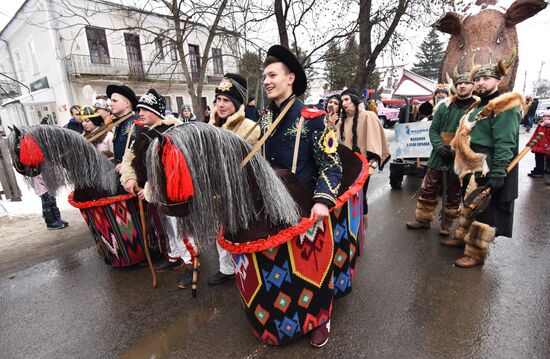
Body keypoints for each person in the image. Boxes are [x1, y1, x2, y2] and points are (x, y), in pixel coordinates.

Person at [261, 45, 342, 347]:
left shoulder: (314, 117)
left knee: (313, 266)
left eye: (272, 75)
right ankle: (289, 311)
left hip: (308, 208)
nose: (266, 81)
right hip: (274, 206)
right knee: (283, 264)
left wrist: (322, 200)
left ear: (290, 77)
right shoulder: (265, 121)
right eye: (264, 76)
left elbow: (331, 166)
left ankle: (321, 316)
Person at [446, 56, 522, 268]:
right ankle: (463, 237)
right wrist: (457, 164)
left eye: (487, 78)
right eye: (478, 79)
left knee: (482, 210)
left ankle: (476, 252)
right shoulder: (477, 106)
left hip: (487, 165)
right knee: (468, 204)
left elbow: (505, 142)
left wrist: (498, 172)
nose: (481, 82)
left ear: (498, 81)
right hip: (469, 165)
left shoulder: (504, 106)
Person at [119, 89, 196, 288]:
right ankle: (174, 256)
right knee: (167, 228)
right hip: (152, 195)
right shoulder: (142, 133)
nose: (140, 113)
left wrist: (150, 189)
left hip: (172, 194)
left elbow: (169, 170)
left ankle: (191, 263)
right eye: (139, 110)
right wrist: (129, 178)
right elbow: (129, 159)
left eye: (145, 109)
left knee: (180, 228)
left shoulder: (170, 133)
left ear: (157, 111)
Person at [406, 72, 476, 237]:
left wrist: (458, 150)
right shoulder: (444, 106)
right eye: (459, 84)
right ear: (455, 86)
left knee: (454, 191)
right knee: (429, 187)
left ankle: (446, 223)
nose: (462, 86)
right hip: (439, 154)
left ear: (472, 86)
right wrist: (439, 147)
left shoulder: (476, 108)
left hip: (460, 156)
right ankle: (423, 220)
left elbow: (477, 133)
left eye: (466, 83)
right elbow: (434, 130)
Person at [207, 73, 261, 286]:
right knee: (218, 231)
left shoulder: (250, 127)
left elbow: (246, 164)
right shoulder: (209, 125)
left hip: (238, 190)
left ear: (236, 103)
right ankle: (226, 268)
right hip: (213, 188)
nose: (221, 105)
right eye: (218, 99)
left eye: (226, 100)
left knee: (239, 231)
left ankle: (245, 270)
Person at [336, 88, 390, 224]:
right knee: (343, 197)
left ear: (355, 100)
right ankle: (346, 229)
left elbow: (374, 140)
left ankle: (359, 227)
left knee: (360, 196)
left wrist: (372, 162)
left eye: (346, 99)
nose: (344, 103)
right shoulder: (342, 120)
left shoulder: (368, 116)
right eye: (342, 100)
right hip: (344, 166)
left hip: (362, 165)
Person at [106, 84, 138, 166]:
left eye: (114, 101)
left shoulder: (134, 123)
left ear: (127, 103)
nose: (110, 104)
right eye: (111, 100)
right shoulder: (120, 122)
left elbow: (138, 152)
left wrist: (126, 164)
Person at [527, 110, 550, 178]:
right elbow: (535, 135)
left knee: (546, 159)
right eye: (544, 116)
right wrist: (530, 143)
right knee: (538, 158)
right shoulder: (540, 125)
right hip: (539, 145)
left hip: (546, 146)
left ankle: (541, 171)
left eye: (548, 116)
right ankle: (538, 170)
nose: (545, 118)